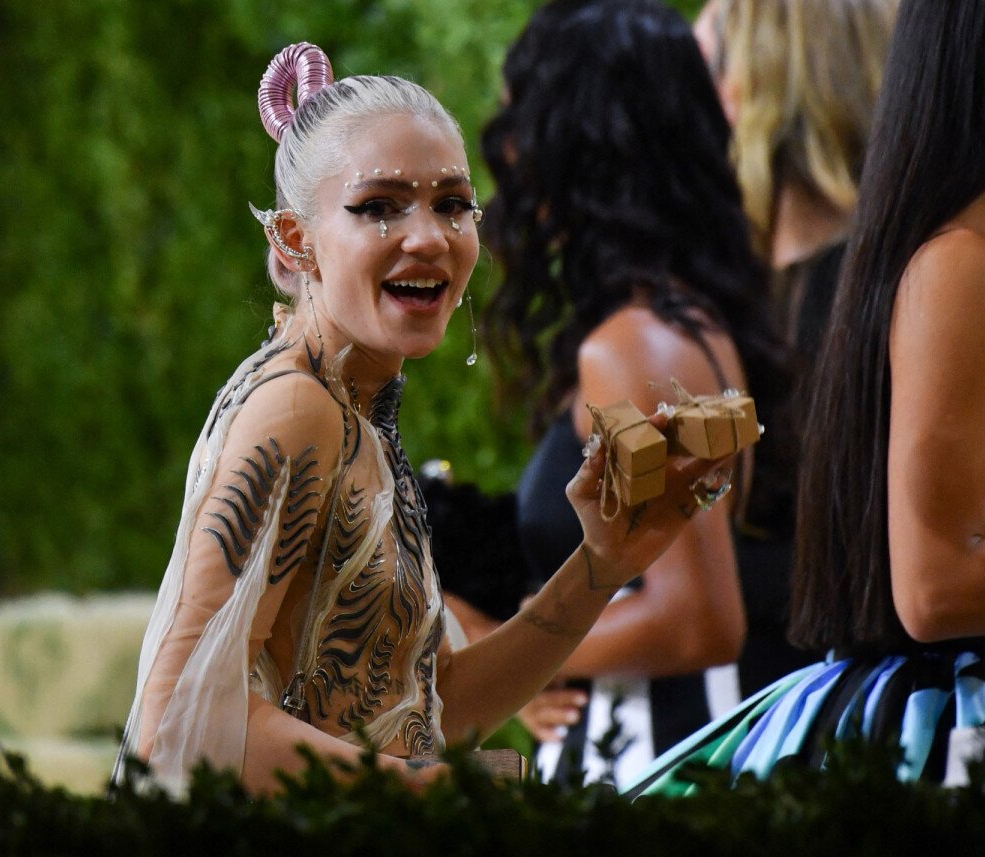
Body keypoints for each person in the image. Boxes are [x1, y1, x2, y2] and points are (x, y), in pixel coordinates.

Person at [112, 42, 725, 795]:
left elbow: (431, 707)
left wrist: (601, 568)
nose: (430, 235)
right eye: (379, 206)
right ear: (295, 241)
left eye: (452, 203)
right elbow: (176, 718)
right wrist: (434, 791)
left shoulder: (354, 407)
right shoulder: (297, 408)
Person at [627, 0, 985, 796]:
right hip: (929, 718)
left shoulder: (874, 274)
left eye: (710, 65)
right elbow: (923, 582)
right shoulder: (948, 266)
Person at [445, 0, 790, 787]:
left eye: (521, 120)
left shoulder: (632, 346)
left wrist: (501, 652)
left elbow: (697, 617)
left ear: (578, 145)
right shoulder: (681, 317)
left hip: (664, 765)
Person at [690, 0, 900, 702]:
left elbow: (858, 566)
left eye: (702, 68)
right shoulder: (728, 290)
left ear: (759, 83)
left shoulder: (876, 295)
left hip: (846, 719)